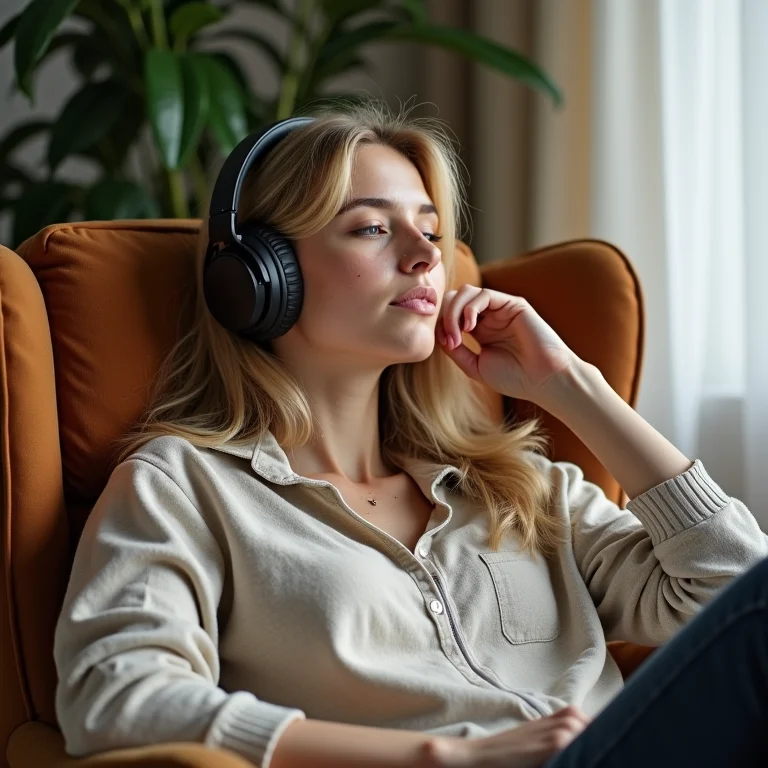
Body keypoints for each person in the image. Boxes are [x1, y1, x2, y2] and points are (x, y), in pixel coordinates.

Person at [53, 98, 768, 768]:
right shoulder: (184, 486)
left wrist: (571, 385)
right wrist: (442, 759)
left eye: (430, 230)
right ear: (260, 275)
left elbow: (733, 590)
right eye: (372, 228)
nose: (426, 257)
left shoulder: (520, 485)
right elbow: (115, 696)